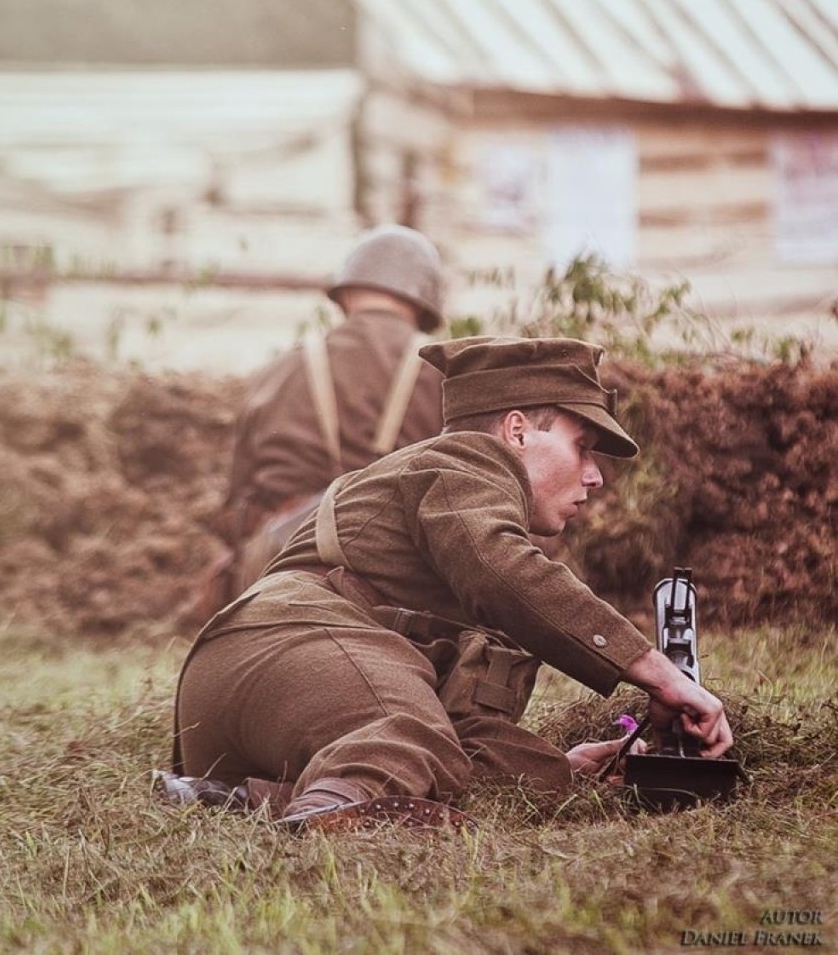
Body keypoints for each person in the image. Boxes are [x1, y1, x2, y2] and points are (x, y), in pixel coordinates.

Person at [172, 335, 733, 829]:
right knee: (407, 734)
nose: (595, 474)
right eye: (582, 446)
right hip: (287, 642)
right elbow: (505, 574)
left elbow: (466, 730)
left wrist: (561, 771)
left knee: (461, 759)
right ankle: (320, 827)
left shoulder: (464, 523)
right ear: (515, 431)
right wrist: (660, 675)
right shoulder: (466, 463)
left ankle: (248, 798)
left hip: (256, 695)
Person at [190, 225, 447, 624]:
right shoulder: (444, 372)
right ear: (426, 300)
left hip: (280, 573)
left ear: (344, 293)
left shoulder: (279, 370)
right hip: (403, 587)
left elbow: (234, 508)